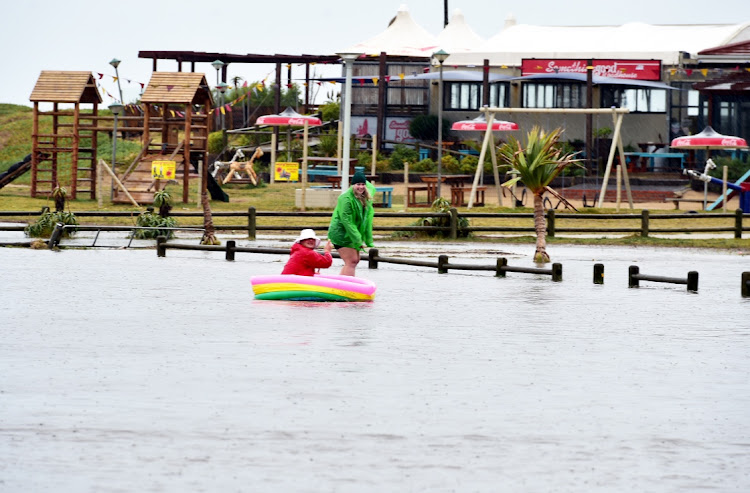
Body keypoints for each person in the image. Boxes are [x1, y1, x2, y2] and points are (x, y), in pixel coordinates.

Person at [327, 170, 376, 276]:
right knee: (352, 260)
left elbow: (370, 187)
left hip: (351, 234)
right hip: (341, 234)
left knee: (355, 260)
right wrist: (358, 240)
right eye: (358, 184)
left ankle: (343, 285)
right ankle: (344, 288)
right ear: (352, 185)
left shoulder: (365, 197)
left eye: (363, 184)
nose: (361, 187)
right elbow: (347, 221)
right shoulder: (346, 199)